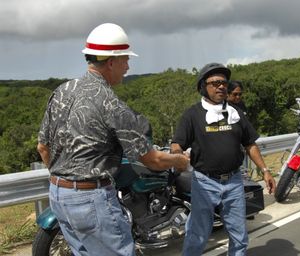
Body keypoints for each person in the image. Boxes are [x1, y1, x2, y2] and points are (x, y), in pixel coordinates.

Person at [36, 23, 189, 256]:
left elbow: (43, 147)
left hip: (58, 196)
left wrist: (67, 183)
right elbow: (153, 161)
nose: (127, 67)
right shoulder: (112, 105)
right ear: (111, 62)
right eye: (125, 60)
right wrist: (179, 161)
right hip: (91, 200)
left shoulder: (62, 91)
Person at [170, 63, 276, 256]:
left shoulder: (235, 113)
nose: (221, 86)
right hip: (204, 182)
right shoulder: (192, 115)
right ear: (203, 86)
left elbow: (250, 144)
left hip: (234, 181)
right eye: (215, 83)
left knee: (239, 234)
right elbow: (177, 144)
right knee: (198, 234)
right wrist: (178, 155)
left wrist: (265, 170)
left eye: (224, 83)